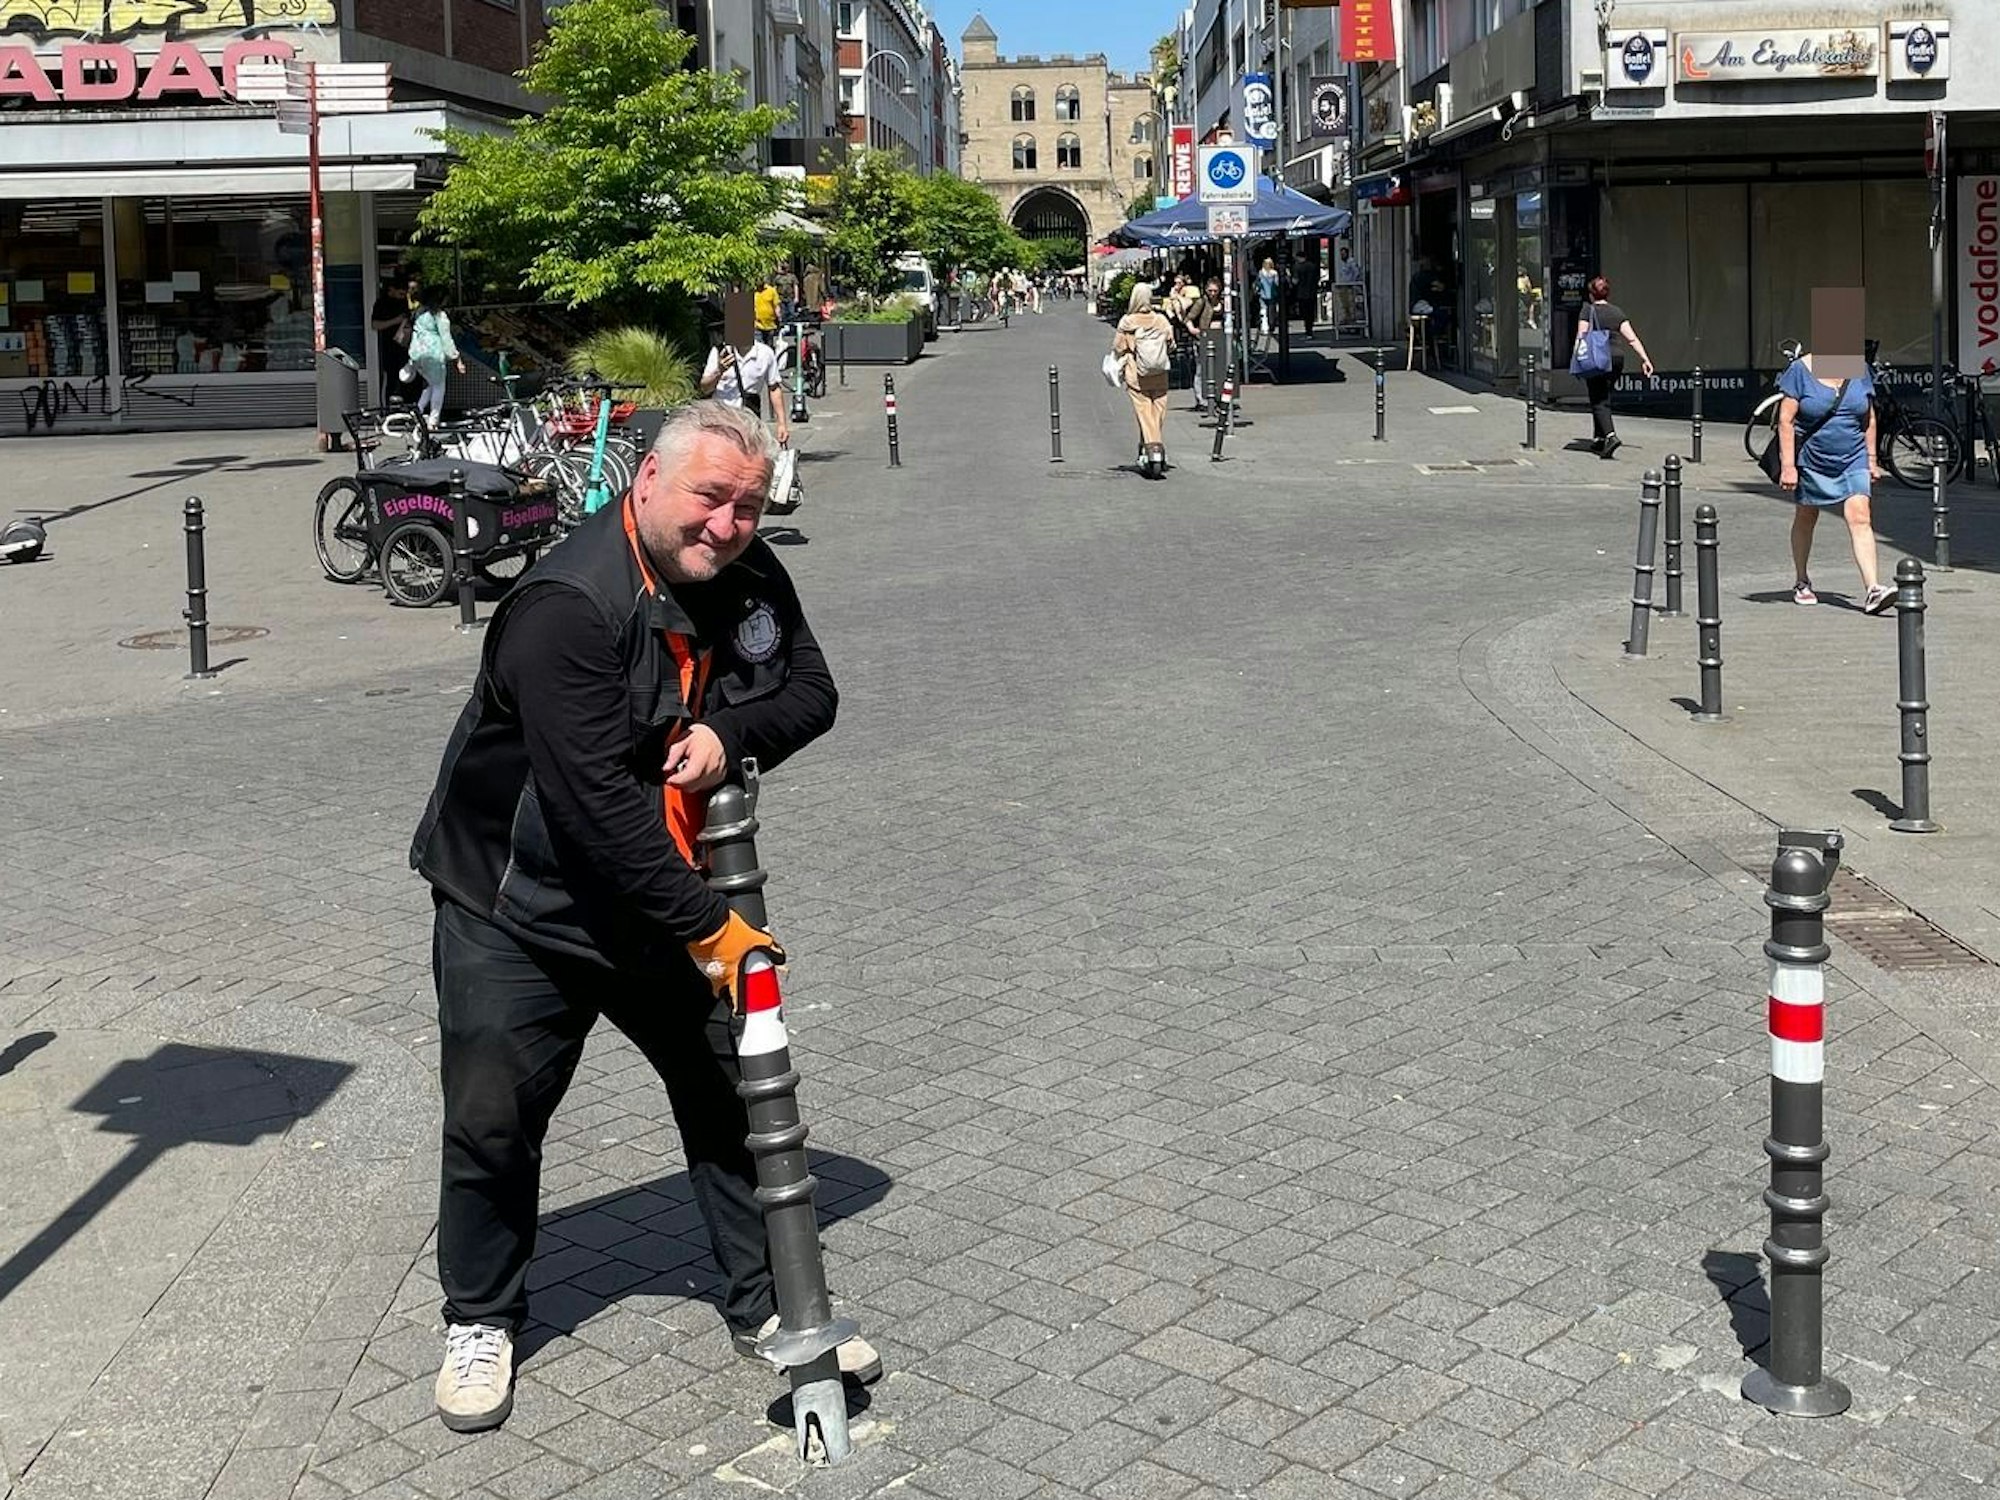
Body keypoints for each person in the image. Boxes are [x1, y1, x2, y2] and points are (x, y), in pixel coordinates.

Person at [409, 401, 879, 1434]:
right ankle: (480, 1316)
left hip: (650, 893)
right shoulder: (567, 605)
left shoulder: (744, 569)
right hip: (516, 904)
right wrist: (712, 929)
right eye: (709, 499)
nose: (726, 525)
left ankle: (771, 1306)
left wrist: (724, 731)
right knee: (492, 1118)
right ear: (648, 483)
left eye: (747, 506)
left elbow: (811, 692)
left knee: (730, 1092)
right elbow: (594, 809)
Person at [1778, 351, 1894, 613]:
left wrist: (1872, 459)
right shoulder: (1800, 370)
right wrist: (1788, 466)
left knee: (1860, 516)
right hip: (1813, 457)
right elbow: (1785, 420)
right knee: (1807, 515)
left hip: (1853, 456)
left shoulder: (1859, 368)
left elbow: (1869, 417)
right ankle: (1801, 580)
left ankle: (1873, 588)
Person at [1575, 276, 1653, 458]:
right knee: (1603, 396)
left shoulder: (1588, 310)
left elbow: (1581, 335)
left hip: (1597, 359)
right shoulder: (1617, 312)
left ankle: (1610, 436)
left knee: (1598, 400)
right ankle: (1599, 439)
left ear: (1591, 294)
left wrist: (1577, 358)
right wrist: (1645, 359)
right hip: (1616, 359)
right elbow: (1632, 339)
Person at [1113, 282, 1174, 478]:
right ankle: (1150, 447)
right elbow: (1171, 344)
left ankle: (1153, 447)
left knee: (1144, 413)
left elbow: (1118, 347)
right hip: (1160, 374)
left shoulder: (1127, 322)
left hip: (1136, 376)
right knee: (1158, 412)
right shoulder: (1161, 320)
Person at [698, 334, 791, 450]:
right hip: (721, 419)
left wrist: (782, 424)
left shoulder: (765, 353)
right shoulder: (720, 352)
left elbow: (774, 388)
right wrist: (719, 371)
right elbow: (705, 388)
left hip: (749, 421)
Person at [405, 283, 465, 428]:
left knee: (429, 384)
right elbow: (446, 338)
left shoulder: (419, 312)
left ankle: (417, 412)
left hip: (418, 352)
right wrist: (457, 358)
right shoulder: (439, 315)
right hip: (434, 353)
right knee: (439, 386)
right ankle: (433, 419)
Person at [369, 273, 411, 405]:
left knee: (406, 377)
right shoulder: (381, 304)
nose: (402, 297)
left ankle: (405, 404)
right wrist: (396, 321)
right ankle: (387, 406)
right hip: (388, 347)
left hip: (404, 346)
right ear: (391, 290)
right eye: (399, 294)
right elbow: (375, 325)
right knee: (391, 378)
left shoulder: (403, 303)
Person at [753, 279, 781, 346]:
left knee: (769, 345)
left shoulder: (771, 291)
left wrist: (779, 317)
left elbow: (776, 305)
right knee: (759, 345)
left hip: (770, 324)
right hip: (757, 324)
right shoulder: (753, 292)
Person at [1257, 256, 1279, 337]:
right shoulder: (1274, 273)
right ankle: (1271, 326)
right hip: (1272, 294)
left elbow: (1258, 284)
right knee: (1271, 311)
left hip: (1263, 294)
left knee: (1263, 311)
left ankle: (1264, 327)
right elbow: (1277, 283)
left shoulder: (1261, 273)